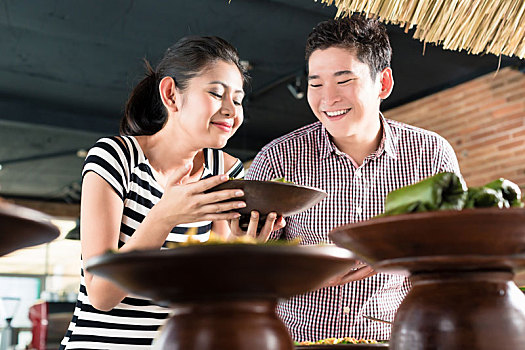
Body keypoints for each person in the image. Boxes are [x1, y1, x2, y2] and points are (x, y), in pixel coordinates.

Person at [246, 15, 462, 342]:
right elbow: (253, 272)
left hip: (398, 339)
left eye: (343, 80)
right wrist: (297, 273)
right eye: (315, 83)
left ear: (383, 83)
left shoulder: (431, 153)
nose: (327, 98)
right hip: (299, 342)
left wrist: (401, 254)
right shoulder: (278, 159)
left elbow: (454, 256)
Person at [60, 36, 283, 349]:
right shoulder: (115, 157)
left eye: (239, 99)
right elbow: (101, 295)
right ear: (171, 95)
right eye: (217, 93)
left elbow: (210, 291)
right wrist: (163, 216)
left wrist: (240, 249)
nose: (231, 110)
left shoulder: (227, 171)